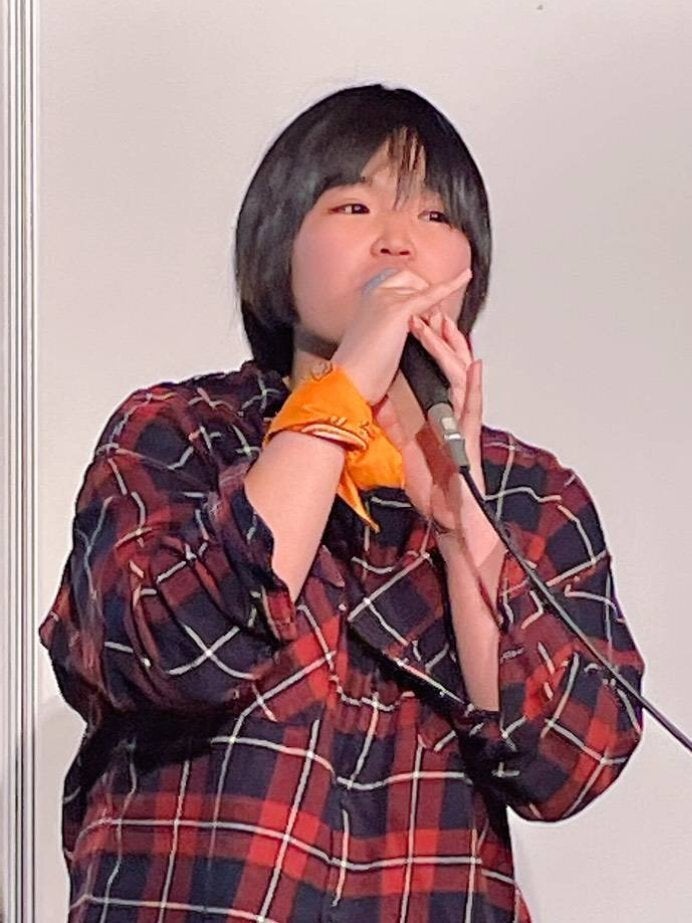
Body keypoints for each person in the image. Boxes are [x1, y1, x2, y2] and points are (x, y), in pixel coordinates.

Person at [39, 83, 645, 922]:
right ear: (279, 247)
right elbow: (176, 647)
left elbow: (566, 762)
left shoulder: (529, 494)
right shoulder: (180, 434)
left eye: (435, 216)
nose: (398, 238)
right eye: (354, 206)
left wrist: (462, 526)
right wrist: (346, 389)